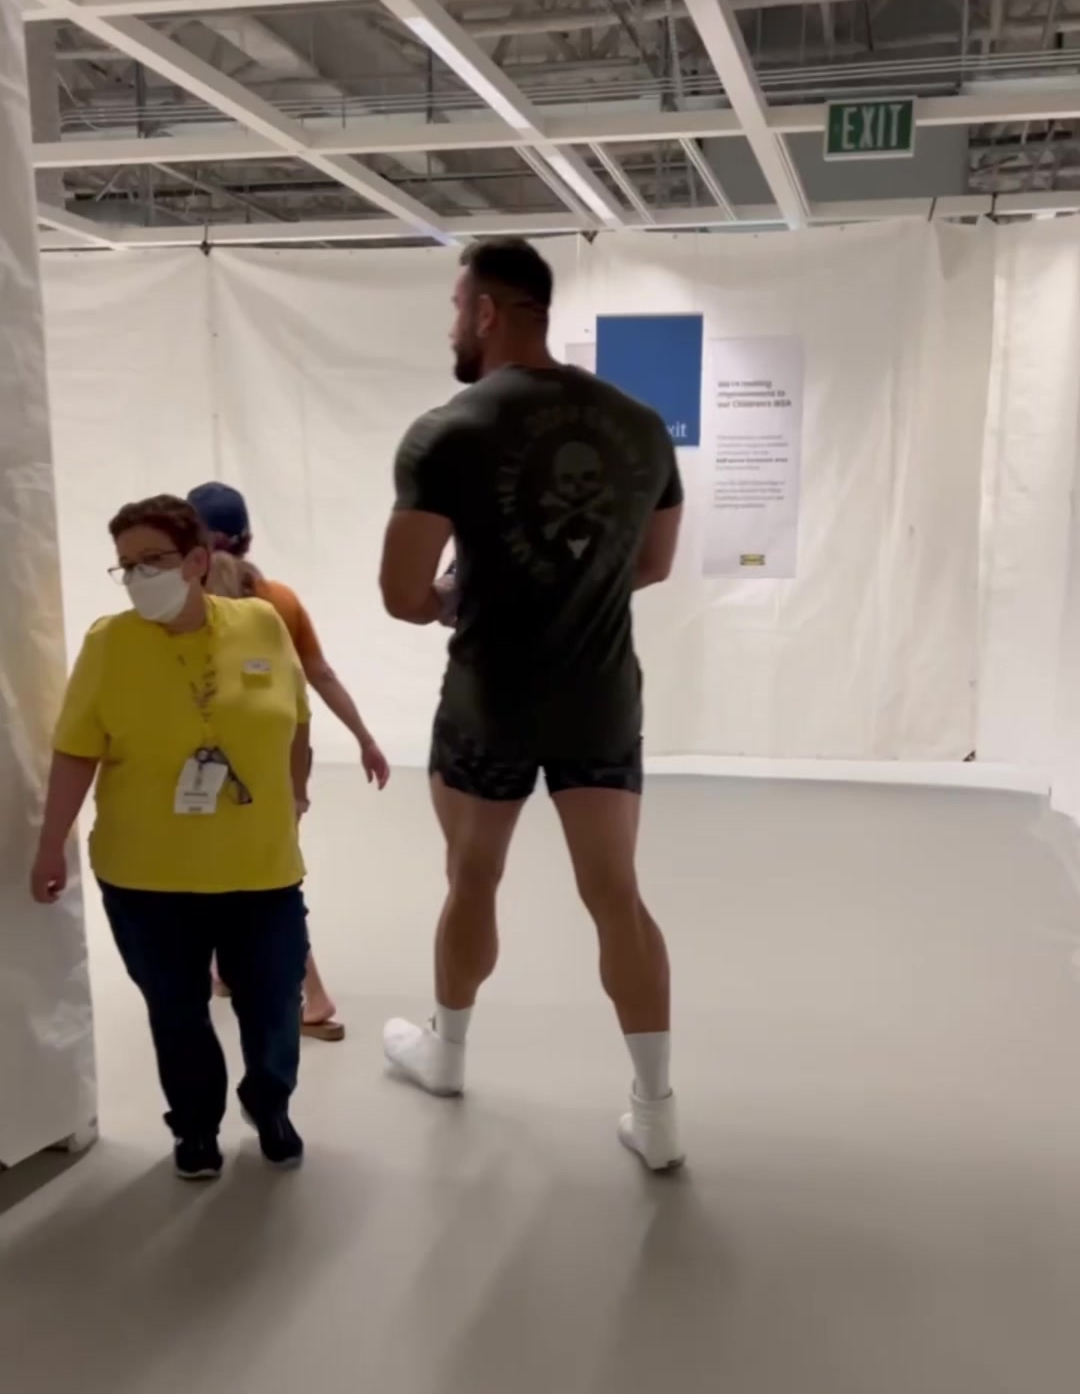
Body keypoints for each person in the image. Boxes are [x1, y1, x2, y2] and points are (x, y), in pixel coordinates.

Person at [378, 239, 685, 1171]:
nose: (452, 326)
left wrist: (455, 594)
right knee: (617, 895)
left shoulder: (447, 431)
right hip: (598, 697)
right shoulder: (640, 426)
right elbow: (654, 564)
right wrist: (572, 590)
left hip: (490, 702)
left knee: (472, 880)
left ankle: (447, 1054)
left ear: (486, 311)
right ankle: (657, 1114)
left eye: (456, 308)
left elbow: (401, 594)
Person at [30, 495, 311, 1179]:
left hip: (260, 866)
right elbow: (76, 750)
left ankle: (269, 1102)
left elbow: (297, 717)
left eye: (152, 560)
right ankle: (195, 1125)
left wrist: (297, 793)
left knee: (275, 1003)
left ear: (197, 561)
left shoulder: (260, 623)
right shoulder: (110, 644)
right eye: (125, 566)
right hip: (146, 874)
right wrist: (51, 842)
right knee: (178, 1011)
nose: (137, 577)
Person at [188, 480, 390, 1042]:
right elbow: (318, 675)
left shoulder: (184, 607)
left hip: (208, 770)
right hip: (279, 766)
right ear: (248, 539)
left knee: (249, 883)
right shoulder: (278, 600)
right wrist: (364, 738)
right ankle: (229, 968)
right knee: (265, 876)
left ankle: (312, 994)